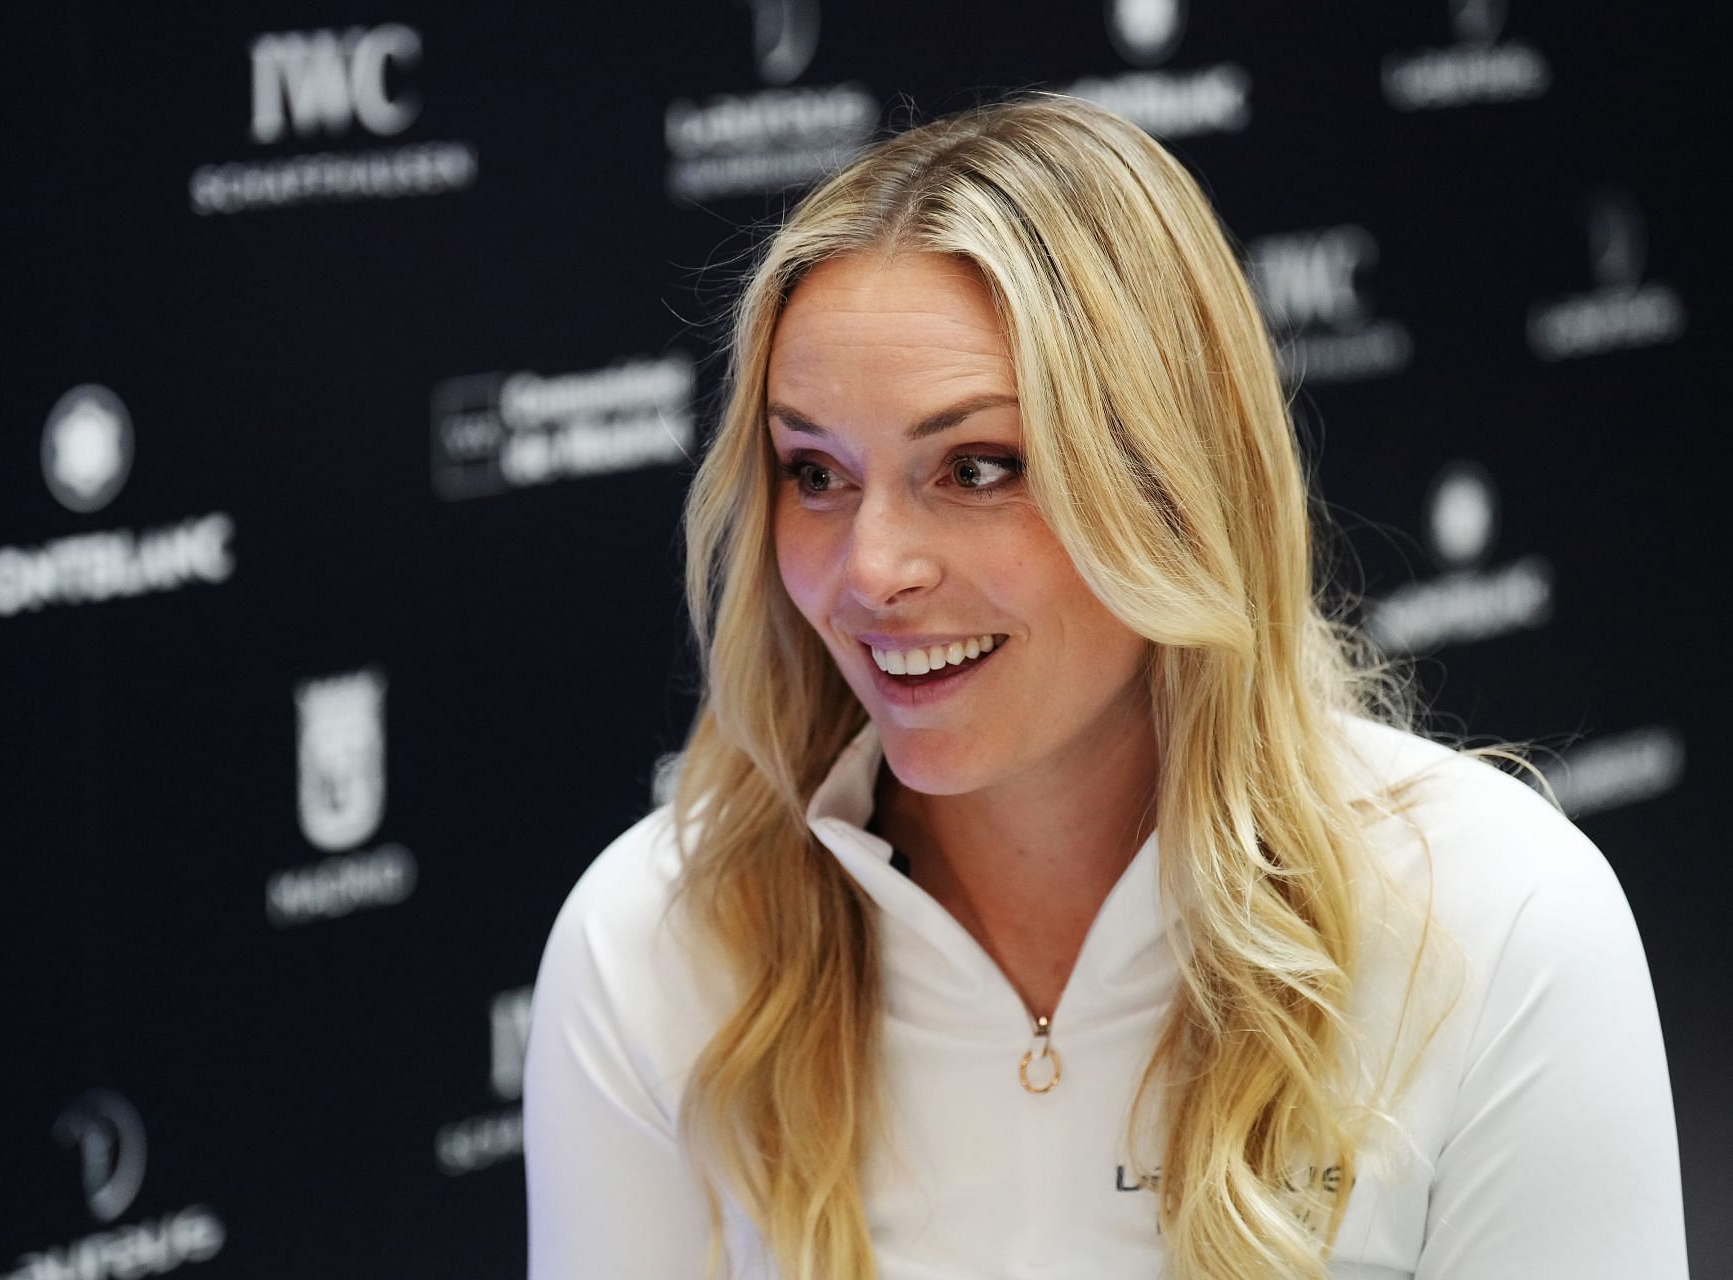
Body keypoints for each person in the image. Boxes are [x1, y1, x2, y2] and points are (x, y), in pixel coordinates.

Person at [522, 95, 1687, 1279]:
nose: (871, 568)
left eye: (977, 467)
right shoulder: (654, 946)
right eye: (813, 471)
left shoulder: (1497, 921)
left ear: (1176, 488)